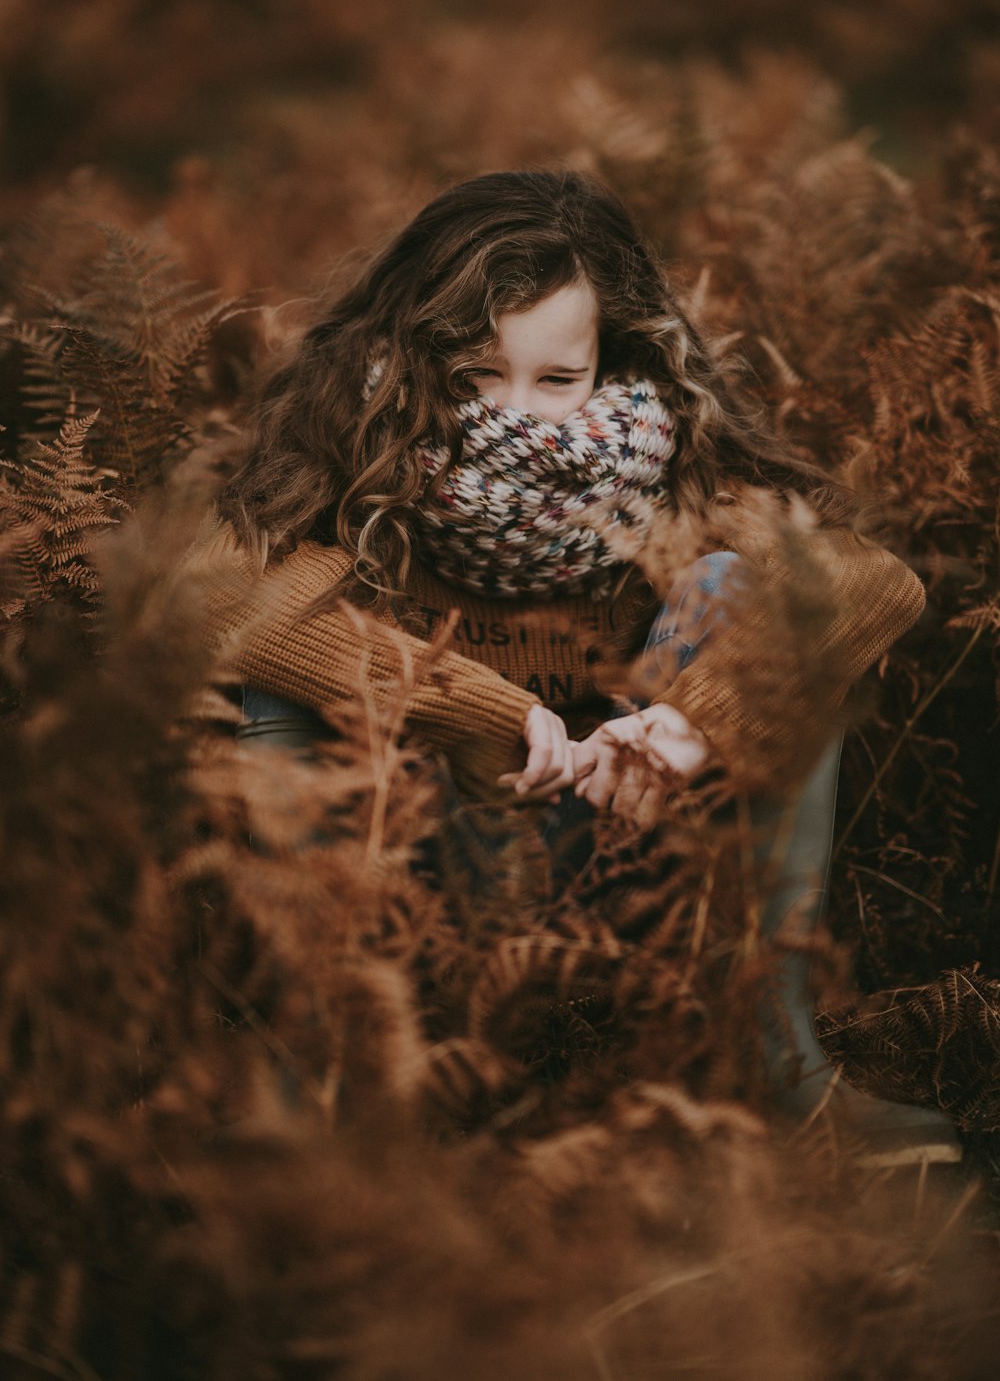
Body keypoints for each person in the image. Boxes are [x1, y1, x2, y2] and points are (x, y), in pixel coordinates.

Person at [202, 169, 959, 1164]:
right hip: (421, 876)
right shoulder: (368, 461)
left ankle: (773, 1064)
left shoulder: (666, 468)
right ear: (414, 353)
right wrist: (494, 711)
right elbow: (216, 603)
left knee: (747, 591)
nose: (516, 416)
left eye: (556, 381)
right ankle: (323, 1092)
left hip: (622, 848)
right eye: (474, 377)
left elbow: (870, 582)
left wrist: (688, 720)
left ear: (617, 360)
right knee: (286, 668)